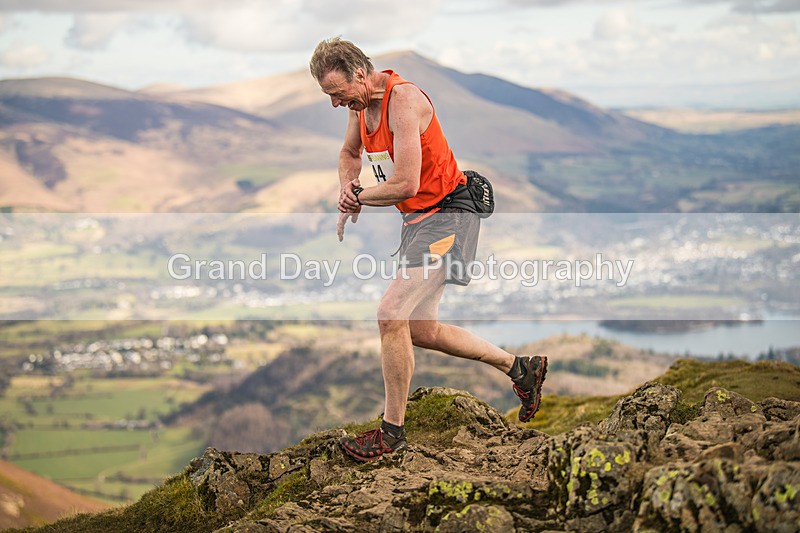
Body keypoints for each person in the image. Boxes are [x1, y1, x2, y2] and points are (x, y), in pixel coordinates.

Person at [309, 38, 547, 462]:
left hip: (449, 217)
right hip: (419, 222)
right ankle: (520, 369)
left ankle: (391, 434)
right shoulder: (360, 108)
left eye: (336, 93)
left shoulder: (403, 101)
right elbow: (349, 153)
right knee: (421, 330)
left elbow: (406, 184)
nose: (334, 104)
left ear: (359, 75)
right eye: (329, 97)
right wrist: (346, 186)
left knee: (389, 314)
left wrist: (359, 196)